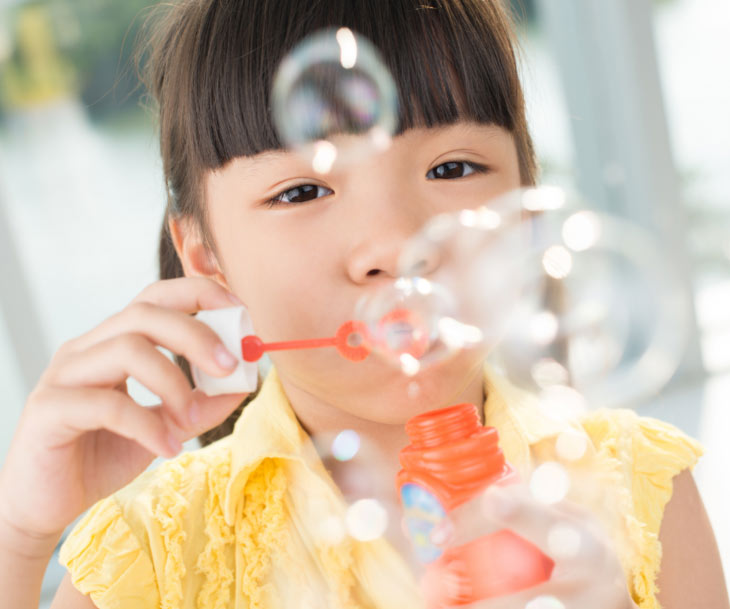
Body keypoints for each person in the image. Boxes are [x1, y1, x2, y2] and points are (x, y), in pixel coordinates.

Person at [0, 1, 727, 608]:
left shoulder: (637, 486)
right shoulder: (154, 551)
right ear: (205, 260)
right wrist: (21, 538)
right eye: (303, 190)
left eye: (454, 167)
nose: (396, 244)